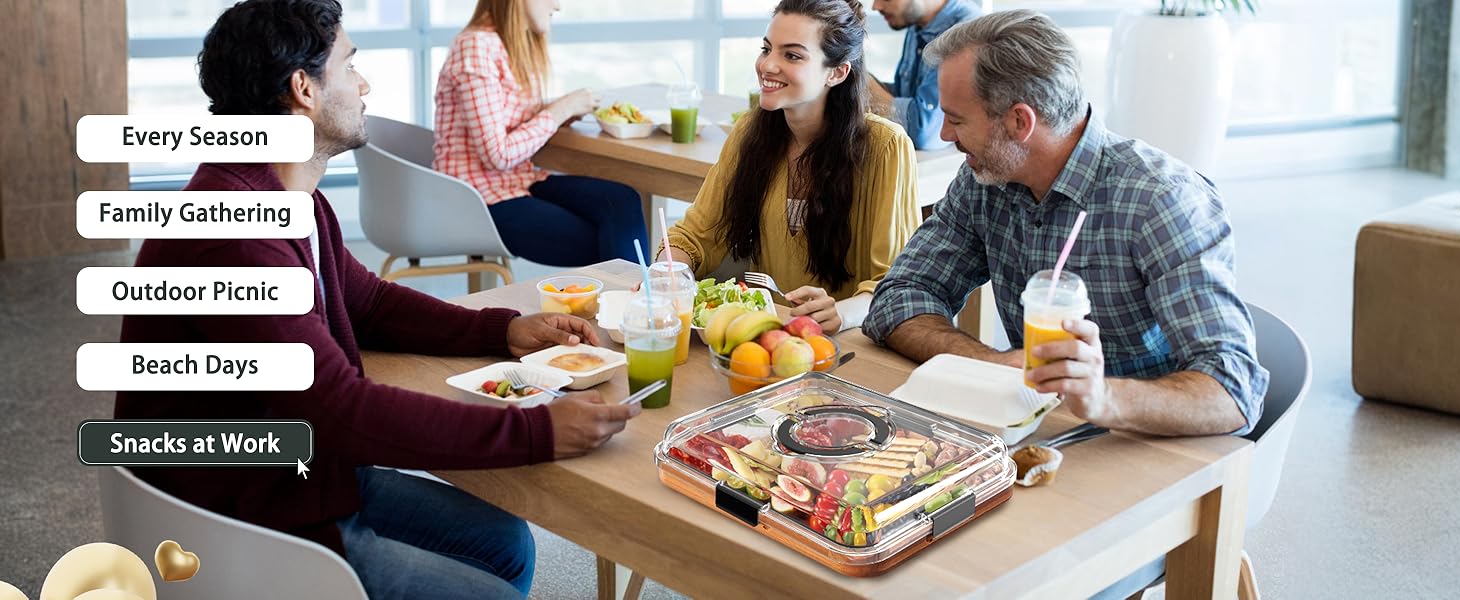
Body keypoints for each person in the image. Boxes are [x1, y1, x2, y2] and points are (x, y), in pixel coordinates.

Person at [115, 2, 640, 598]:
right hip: (242, 521)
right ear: (303, 89)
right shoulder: (233, 235)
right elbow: (338, 409)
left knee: (506, 544)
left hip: (293, 474)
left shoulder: (286, 196)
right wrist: (536, 430)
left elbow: (368, 303)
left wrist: (505, 330)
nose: (364, 85)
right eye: (350, 65)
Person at [863, 12, 1270, 595]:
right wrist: (991, 362)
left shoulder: (1161, 201)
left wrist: (1103, 397)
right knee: (900, 552)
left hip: (1145, 466)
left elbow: (1234, 391)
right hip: (1033, 448)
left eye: (956, 120)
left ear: (1020, 122)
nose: (946, 136)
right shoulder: (985, 180)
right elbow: (899, 297)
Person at [660, 0, 920, 334]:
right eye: (767, 49)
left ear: (837, 72)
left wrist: (841, 312)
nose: (768, 65)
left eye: (792, 55)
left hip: (850, 344)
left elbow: (896, 284)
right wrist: (669, 276)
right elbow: (694, 236)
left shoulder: (887, 147)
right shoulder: (749, 131)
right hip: (766, 337)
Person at [433, 0, 649, 266]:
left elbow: (502, 116)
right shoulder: (476, 46)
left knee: (622, 200)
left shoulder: (506, 45)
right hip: (479, 200)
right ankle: (635, 303)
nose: (557, 6)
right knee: (611, 243)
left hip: (518, 181)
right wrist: (560, 109)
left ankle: (633, 302)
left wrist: (557, 111)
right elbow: (497, 155)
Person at [867, 0, 980, 150]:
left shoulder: (966, 33)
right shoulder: (917, 25)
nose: (876, 6)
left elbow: (926, 133)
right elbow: (905, 96)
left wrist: (862, 79)